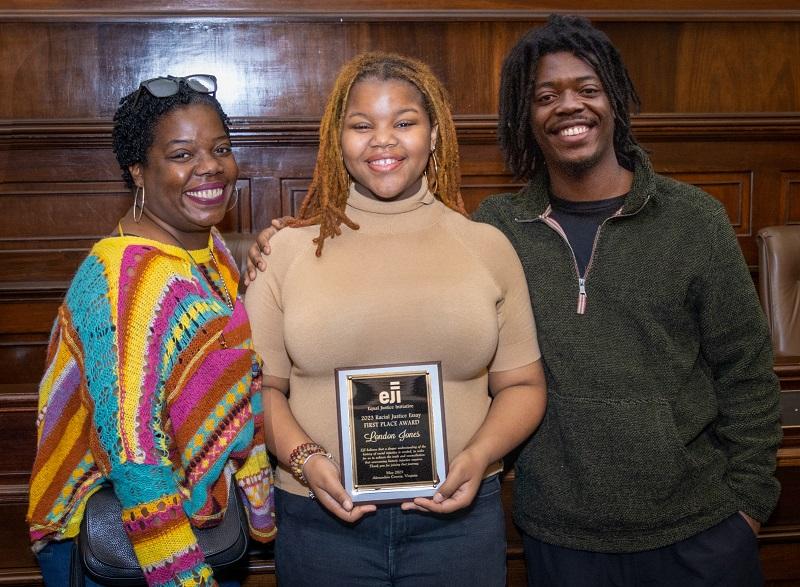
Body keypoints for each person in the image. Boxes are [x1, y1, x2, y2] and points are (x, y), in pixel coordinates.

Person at [470, 14, 781, 586]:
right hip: (562, 538)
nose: (569, 106)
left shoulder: (695, 220)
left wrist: (750, 507)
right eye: (546, 95)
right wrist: (291, 237)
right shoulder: (497, 227)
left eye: (588, 89)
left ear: (615, 101)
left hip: (702, 530)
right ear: (526, 116)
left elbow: (748, 371)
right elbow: (410, 263)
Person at [243, 52, 547, 586]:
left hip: (459, 524)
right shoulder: (286, 251)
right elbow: (261, 389)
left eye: (404, 122)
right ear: (339, 141)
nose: (383, 140)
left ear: (433, 136)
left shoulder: (487, 246)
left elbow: (523, 384)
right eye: (362, 126)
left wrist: (478, 456)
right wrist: (307, 460)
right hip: (320, 521)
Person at [27, 74, 275, 586]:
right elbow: (130, 442)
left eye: (220, 149)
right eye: (181, 154)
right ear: (138, 170)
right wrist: (180, 573)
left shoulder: (210, 253)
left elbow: (236, 374)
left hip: (201, 526)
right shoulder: (124, 277)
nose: (209, 166)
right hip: (121, 547)